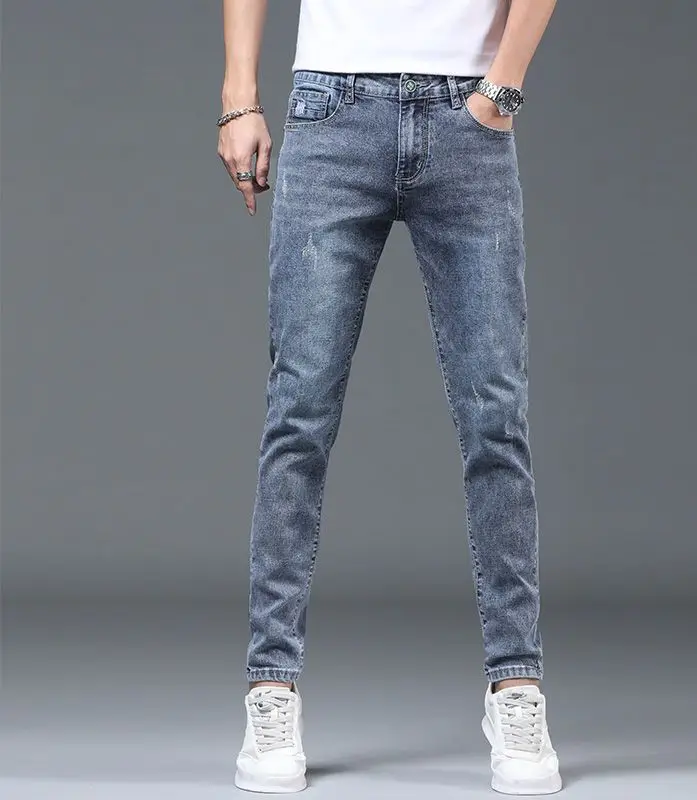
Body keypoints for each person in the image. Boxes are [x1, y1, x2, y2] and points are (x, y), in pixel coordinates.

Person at [218, 0, 561, 793]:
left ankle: (516, 684)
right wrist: (240, 96)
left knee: (496, 417)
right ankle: (271, 686)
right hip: (331, 111)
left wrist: (502, 86)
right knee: (299, 413)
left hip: (467, 112)